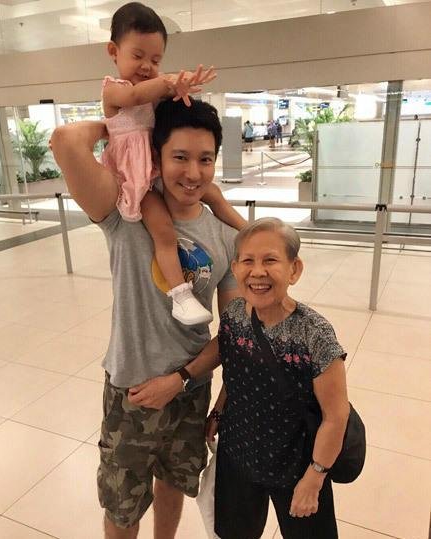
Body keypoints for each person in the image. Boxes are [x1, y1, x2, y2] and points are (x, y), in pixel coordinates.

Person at [51, 98, 241, 539]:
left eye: (205, 159)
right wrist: (127, 124)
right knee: (123, 507)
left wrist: (183, 380)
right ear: (157, 155)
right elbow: (65, 140)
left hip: (191, 391)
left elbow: (234, 331)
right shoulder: (124, 213)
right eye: (180, 157)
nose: (193, 172)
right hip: (131, 391)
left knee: (174, 483)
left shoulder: (225, 236)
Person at [101, 2, 244, 326]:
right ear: (113, 51)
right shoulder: (114, 90)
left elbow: (175, 112)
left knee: (214, 194)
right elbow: (135, 97)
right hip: (136, 181)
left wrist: (179, 88)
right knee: (164, 231)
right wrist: (169, 82)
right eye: (138, 56)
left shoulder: (155, 95)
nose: (146, 66)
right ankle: (181, 295)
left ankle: (251, 231)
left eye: (155, 60)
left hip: (155, 170)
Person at [207, 217, 350, 539]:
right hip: (238, 453)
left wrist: (315, 478)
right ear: (235, 268)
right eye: (248, 261)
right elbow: (237, 372)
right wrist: (218, 411)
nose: (257, 272)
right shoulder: (233, 315)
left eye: (270, 260)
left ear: (294, 269)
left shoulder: (314, 334)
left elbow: (336, 416)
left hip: (296, 462)